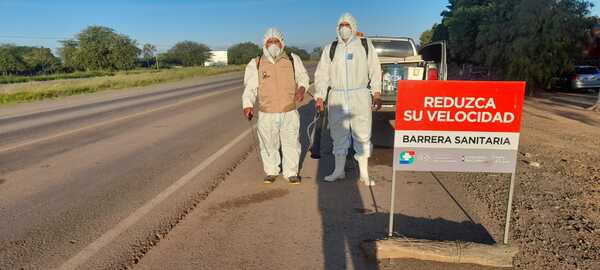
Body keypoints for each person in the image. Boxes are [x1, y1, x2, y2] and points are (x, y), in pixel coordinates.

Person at [314, 12, 382, 186]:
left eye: (347, 25)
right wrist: (320, 95)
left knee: (362, 133)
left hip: (360, 95)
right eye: (341, 25)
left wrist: (376, 92)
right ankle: (339, 171)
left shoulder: (364, 45)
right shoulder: (330, 48)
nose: (344, 28)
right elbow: (322, 74)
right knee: (338, 133)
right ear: (337, 28)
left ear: (354, 27)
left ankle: (364, 174)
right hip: (337, 96)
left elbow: (375, 69)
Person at [242, 28, 310, 184]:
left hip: (289, 111)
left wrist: (301, 89)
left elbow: (303, 77)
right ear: (264, 44)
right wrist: (247, 105)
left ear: (282, 43)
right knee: (268, 144)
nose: (273, 44)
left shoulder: (292, 59)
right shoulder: (256, 63)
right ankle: (271, 171)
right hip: (267, 113)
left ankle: (291, 173)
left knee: (291, 143)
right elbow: (250, 88)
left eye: (276, 41)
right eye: (269, 42)